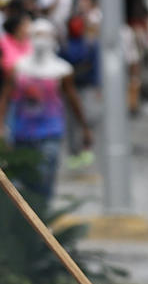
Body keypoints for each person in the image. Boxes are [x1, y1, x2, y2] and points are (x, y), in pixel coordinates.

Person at [0, 18, 90, 205]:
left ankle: (42, 216)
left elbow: (73, 101)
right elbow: (7, 97)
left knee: (44, 179)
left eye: (45, 35)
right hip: (22, 133)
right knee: (23, 182)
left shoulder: (62, 70)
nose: (41, 39)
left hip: (50, 133)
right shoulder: (19, 68)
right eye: (37, 34)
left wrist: (84, 127)